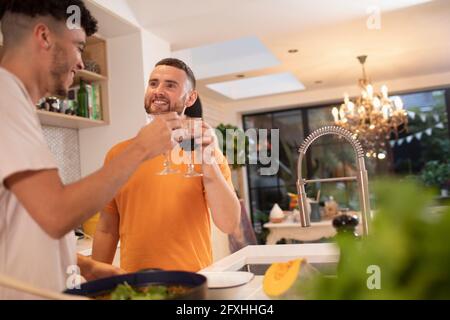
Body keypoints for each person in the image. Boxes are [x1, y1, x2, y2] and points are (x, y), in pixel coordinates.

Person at [0, 0, 181, 299]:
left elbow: (22, 223)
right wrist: (140, 147)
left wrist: (85, 265)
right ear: (44, 37)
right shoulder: (6, 98)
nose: (82, 63)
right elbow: (56, 213)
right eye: (80, 46)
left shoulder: (13, 101)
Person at [92, 58, 241, 273]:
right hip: (137, 286)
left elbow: (229, 224)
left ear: (190, 98)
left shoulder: (208, 154)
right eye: (153, 83)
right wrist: (97, 283)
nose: (158, 90)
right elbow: (106, 228)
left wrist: (207, 161)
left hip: (193, 284)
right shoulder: (119, 154)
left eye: (170, 85)